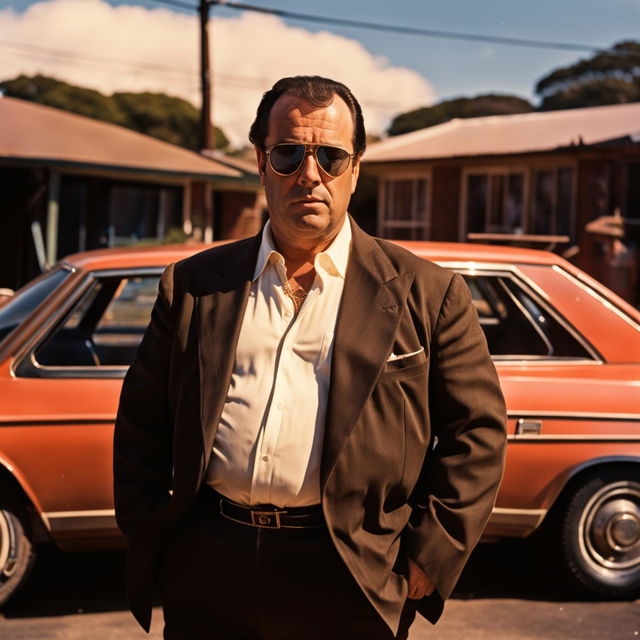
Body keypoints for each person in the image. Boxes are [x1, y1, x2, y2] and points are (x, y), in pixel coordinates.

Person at [113, 75, 507, 640]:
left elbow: (480, 434)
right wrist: (156, 533)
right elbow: (140, 424)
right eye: (289, 154)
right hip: (208, 569)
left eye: (330, 156)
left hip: (351, 572)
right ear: (260, 160)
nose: (309, 174)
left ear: (356, 168)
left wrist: (431, 554)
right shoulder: (195, 284)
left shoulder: (429, 293)